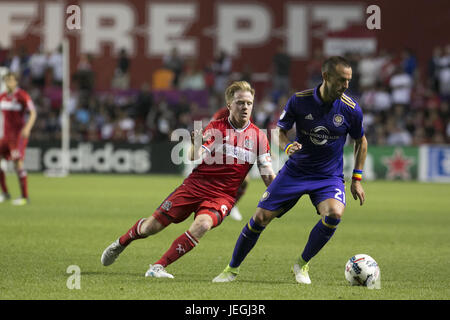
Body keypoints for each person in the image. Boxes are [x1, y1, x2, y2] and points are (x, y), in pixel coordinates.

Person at [213, 56, 367, 284]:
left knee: (334, 214)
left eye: (348, 81)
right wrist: (286, 146)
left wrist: (356, 179)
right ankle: (231, 269)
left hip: (328, 177)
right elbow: (278, 131)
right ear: (326, 77)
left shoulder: (351, 109)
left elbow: (360, 141)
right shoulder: (299, 100)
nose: (346, 86)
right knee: (259, 218)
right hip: (295, 172)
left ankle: (302, 264)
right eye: (341, 80)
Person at [101, 81, 276, 278]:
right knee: (151, 227)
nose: (245, 107)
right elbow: (194, 156)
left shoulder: (259, 137)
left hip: (222, 196)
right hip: (195, 186)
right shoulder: (216, 128)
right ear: (229, 105)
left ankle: (158, 267)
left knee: (202, 225)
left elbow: (268, 173)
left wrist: (283, 190)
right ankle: (121, 243)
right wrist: (196, 143)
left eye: (249, 103)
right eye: (240, 102)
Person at [0, 72, 37, 205]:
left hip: (17, 137)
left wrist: (27, 128)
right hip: (5, 137)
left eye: (11, 80)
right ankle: (5, 193)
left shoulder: (22, 95)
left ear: (16, 82)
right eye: (6, 80)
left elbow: (33, 112)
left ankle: (24, 197)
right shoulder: (2, 97)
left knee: (18, 164)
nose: (8, 83)